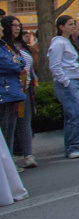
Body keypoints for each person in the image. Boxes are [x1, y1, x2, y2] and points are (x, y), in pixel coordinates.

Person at [48, 16, 79, 158]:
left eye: (74, 25)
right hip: (68, 82)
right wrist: (65, 81)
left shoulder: (69, 42)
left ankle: (78, 144)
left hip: (77, 80)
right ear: (61, 27)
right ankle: (73, 147)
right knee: (77, 115)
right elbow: (54, 65)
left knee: (76, 114)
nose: (73, 27)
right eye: (70, 24)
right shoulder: (58, 43)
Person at [1, 17, 37, 168]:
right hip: (10, 90)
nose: (16, 28)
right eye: (13, 25)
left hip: (25, 88)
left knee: (24, 122)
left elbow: (23, 64)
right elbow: (11, 64)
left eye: (18, 25)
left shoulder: (21, 46)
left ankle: (28, 155)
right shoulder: (4, 46)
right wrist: (17, 63)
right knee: (9, 126)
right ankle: (8, 163)